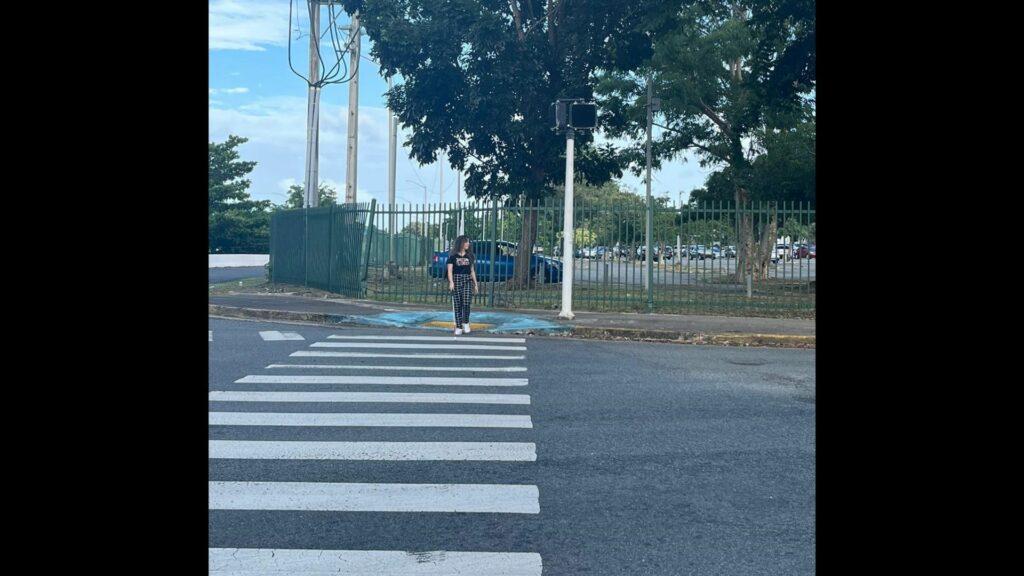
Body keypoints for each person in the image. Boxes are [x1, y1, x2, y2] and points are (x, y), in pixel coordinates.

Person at [447, 235, 479, 335]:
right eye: (466, 242)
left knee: (466, 303)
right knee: (457, 304)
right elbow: (449, 271)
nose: (468, 244)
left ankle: (466, 323)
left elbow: (472, 271)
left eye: (468, 242)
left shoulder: (469, 257)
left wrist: (475, 284)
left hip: (467, 281)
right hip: (456, 280)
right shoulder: (452, 257)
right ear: (461, 243)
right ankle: (459, 326)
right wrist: (451, 282)